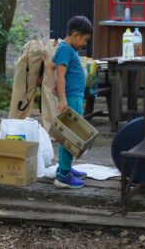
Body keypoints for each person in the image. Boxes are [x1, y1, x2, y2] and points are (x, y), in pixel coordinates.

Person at [52, 15, 94, 189]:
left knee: (72, 135)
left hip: (74, 97)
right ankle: (63, 175)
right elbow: (60, 74)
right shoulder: (66, 49)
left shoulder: (69, 50)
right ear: (76, 35)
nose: (85, 44)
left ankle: (66, 168)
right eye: (85, 40)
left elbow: (61, 75)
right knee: (71, 136)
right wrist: (62, 99)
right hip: (70, 99)